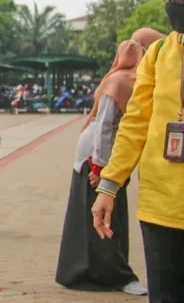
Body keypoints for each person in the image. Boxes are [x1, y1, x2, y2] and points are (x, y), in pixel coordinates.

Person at [92, 0, 184, 302]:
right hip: (160, 205)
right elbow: (134, 125)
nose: (172, 5)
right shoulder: (158, 54)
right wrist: (108, 187)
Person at [57, 36, 162, 295]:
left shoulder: (120, 78)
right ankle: (118, 276)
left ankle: (83, 272)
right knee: (104, 218)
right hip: (98, 156)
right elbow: (104, 126)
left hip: (100, 155)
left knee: (96, 216)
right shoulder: (119, 81)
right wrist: (101, 168)